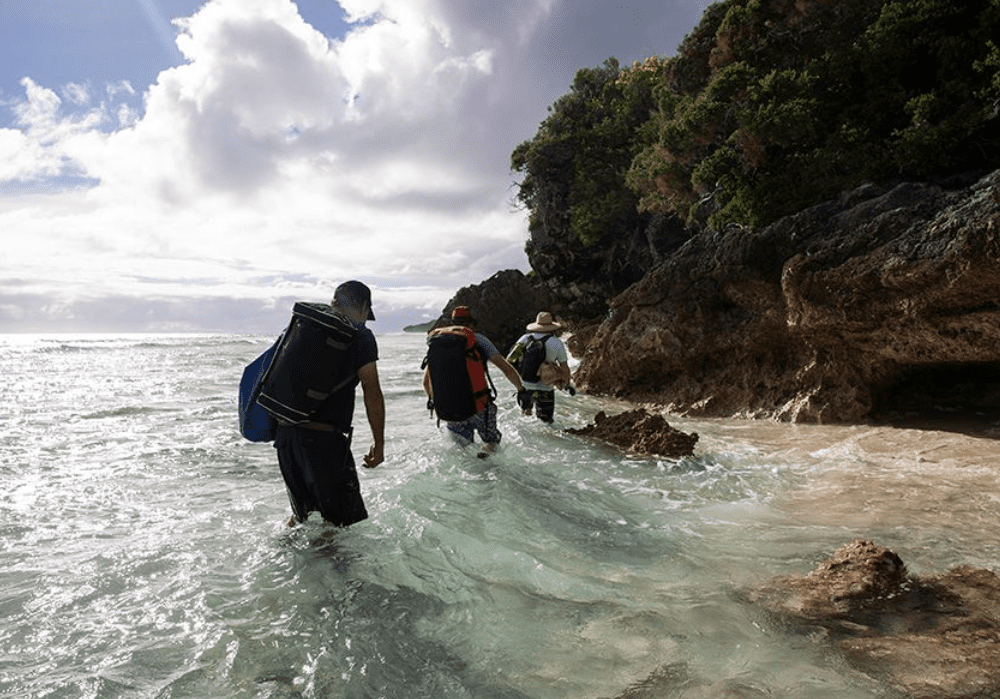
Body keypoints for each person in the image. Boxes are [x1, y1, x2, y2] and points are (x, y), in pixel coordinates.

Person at [274, 280, 385, 527]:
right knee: (338, 526)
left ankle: (286, 562)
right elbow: (372, 391)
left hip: (286, 439)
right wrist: (379, 442)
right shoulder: (361, 336)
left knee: (301, 518)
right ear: (364, 307)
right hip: (324, 444)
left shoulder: (303, 327)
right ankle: (337, 567)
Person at [422, 306, 525, 455]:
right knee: (490, 442)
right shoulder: (478, 339)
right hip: (480, 406)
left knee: (462, 449)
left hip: (452, 409)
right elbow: (506, 368)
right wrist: (521, 389)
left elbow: (426, 383)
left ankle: (470, 475)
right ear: (470, 322)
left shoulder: (438, 343)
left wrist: (436, 401)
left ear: (453, 321)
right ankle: (488, 464)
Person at [508, 311, 573, 424]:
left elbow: (510, 359)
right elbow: (564, 367)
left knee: (525, 417)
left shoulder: (525, 339)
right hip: (546, 386)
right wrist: (567, 384)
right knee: (545, 422)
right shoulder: (556, 342)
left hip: (526, 384)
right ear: (551, 327)